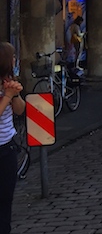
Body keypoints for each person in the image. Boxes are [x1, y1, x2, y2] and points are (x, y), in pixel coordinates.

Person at [0, 42, 24, 234]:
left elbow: (19, 110)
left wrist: (15, 95)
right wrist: (7, 96)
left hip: (7, 147)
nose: (15, 60)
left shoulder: (6, 81)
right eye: (13, 57)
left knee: (5, 199)